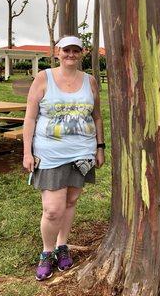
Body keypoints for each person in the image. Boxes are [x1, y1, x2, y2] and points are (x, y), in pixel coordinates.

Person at [22, 36, 105, 281]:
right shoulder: (43, 78)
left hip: (82, 152)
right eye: (66, 50)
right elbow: (30, 118)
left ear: (82, 53)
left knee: (71, 200)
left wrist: (100, 147)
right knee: (52, 210)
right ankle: (47, 252)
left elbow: (97, 116)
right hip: (50, 153)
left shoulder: (90, 81)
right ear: (57, 52)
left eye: (75, 50)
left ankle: (62, 245)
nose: (71, 54)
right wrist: (27, 151)